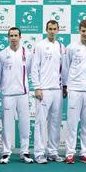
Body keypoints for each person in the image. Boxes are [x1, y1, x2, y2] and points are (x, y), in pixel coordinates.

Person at [62, 20, 86, 164]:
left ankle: (85, 153)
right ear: (79, 31)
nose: (85, 34)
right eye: (83, 31)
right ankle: (70, 153)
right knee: (72, 124)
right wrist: (65, 86)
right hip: (74, 90)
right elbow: (65, 68)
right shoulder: (71, 47)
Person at [0, 27, 33, 164]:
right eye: (11, 36)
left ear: (20, 37)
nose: (14, 38)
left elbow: (28, 71)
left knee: (25, 124)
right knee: (7, 124)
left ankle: (25, 152)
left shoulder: (27, 53)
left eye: (16, 35)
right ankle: (6, 152)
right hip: (8, 95)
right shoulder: (2, 54)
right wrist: (4, 87)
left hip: (22, 94)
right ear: (8, 37)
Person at [31, 20, 66, 164]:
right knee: (40, 122)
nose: (52, 31)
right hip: (43, 90)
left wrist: (64, 86)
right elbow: (34, 68)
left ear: (58, 30)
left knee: (55, 122)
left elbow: (63, 69)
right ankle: (39, 153)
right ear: (46, 30)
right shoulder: (40, 46)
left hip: (57, 90)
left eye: (55, 29)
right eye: (50, 29)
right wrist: (37, 87)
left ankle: (53, 152)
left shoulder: (61, 46)